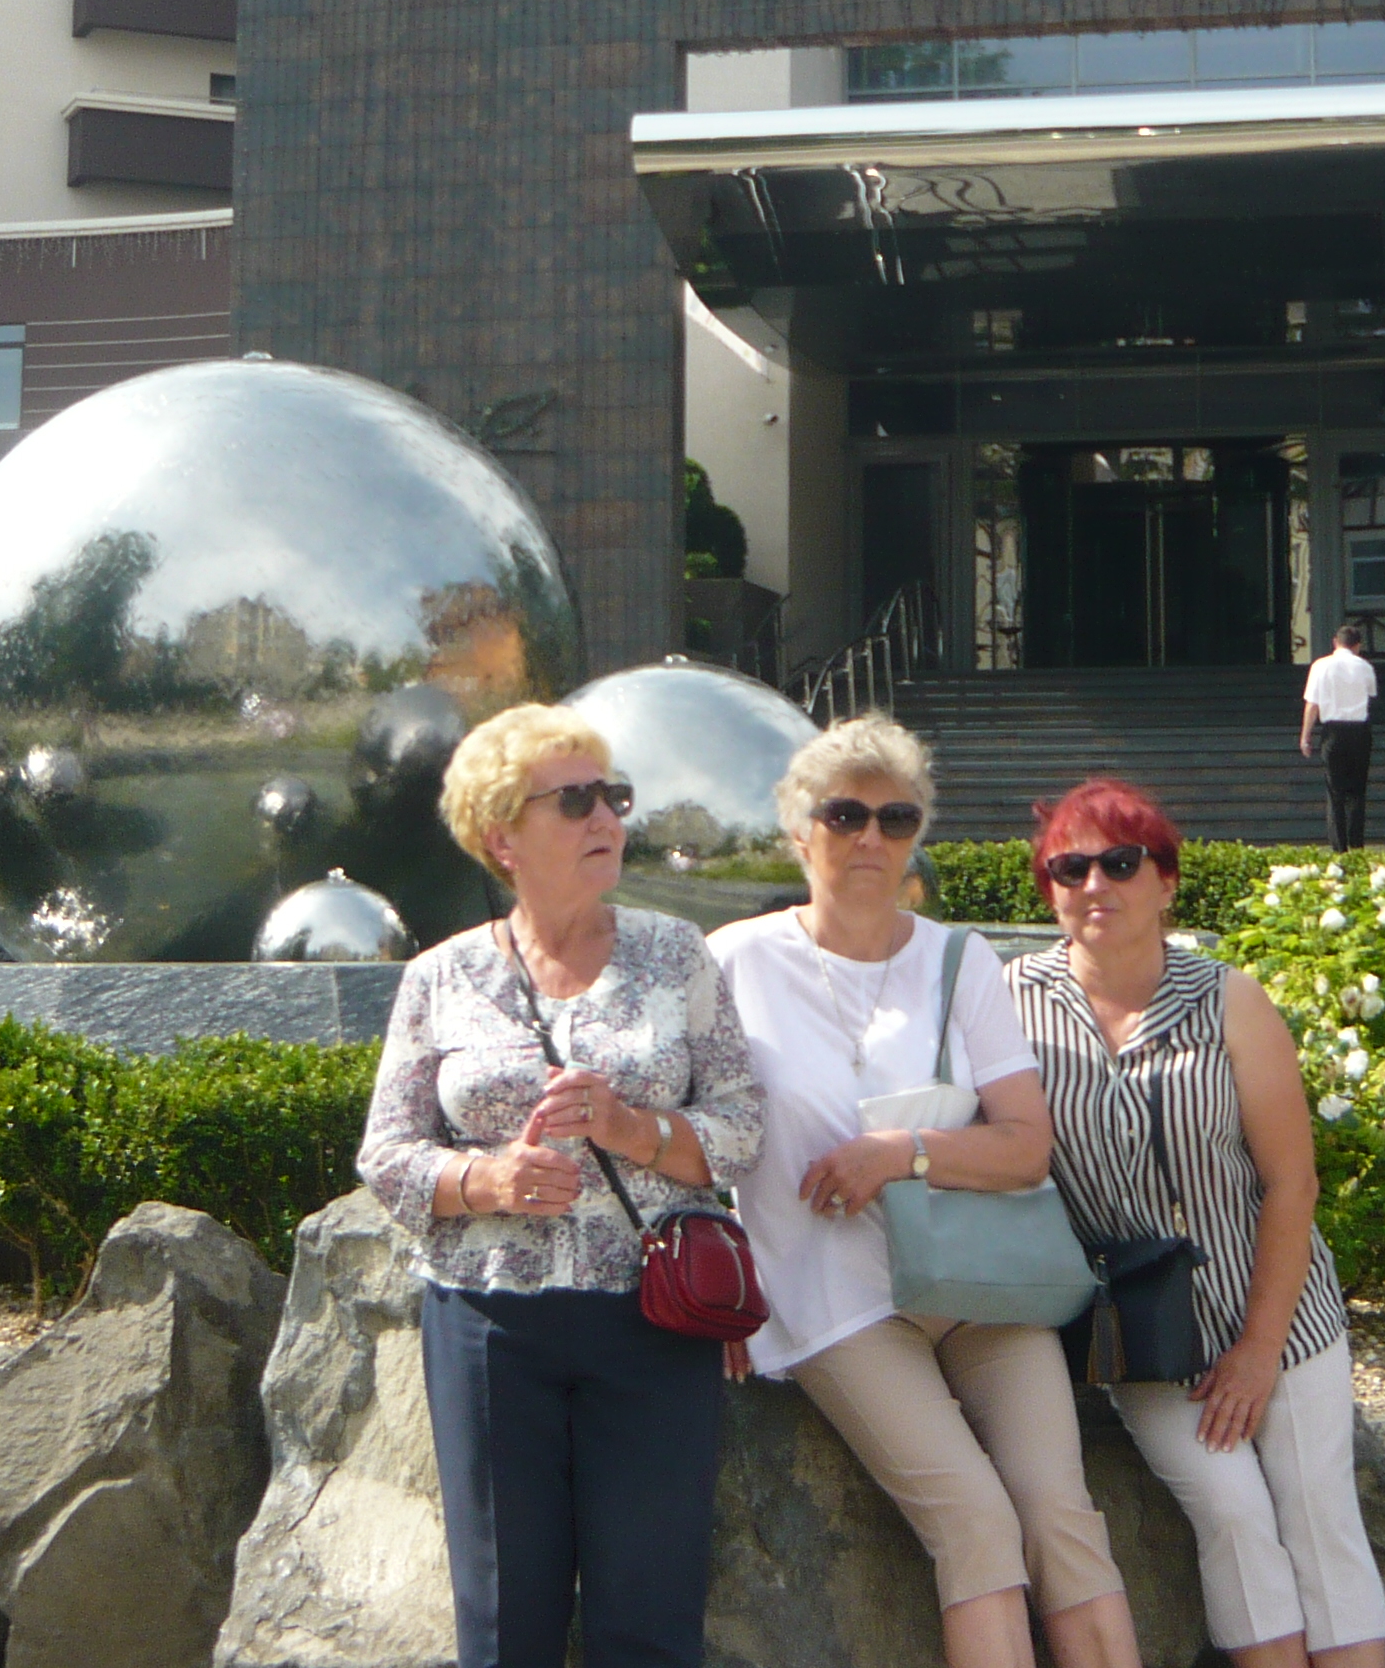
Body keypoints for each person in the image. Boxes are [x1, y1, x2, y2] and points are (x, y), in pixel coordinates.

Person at [709, 715, 1141, 1668]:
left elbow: (1026, 1147)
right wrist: (718, 1285)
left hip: (978, 1282)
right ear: (798, 830)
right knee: (975, 1522)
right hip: (834, 1294)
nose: (871, 838)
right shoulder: (735, 961)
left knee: (1061, 1515)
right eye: (846, 815)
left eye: (896, 818)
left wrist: (899, 1152)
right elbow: (694, 1132)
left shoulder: (958, 958)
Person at [355, 704, 765, 1668]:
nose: (606, 819)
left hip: (652, 1319)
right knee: (504, 1626)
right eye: (574, 801)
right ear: (502, 836)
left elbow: (744, 1129)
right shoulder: (440, 976)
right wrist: (485, 1178)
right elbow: (387, 1153)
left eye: (612, 797)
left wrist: (633, 1130)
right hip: (490, 1323)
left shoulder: (678, 953)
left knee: (651, 1624)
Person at [1010, 780, 1385, 1668]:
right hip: (1148, 1330)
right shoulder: (1010, 1001)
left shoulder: (1228, 1000)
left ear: (1166, 881)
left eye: (1121, 863)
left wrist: (1258, 1349)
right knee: (1232, 1512)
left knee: (1319, 1518)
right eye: (1070, 867)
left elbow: (1291, 1183)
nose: (1095, 883)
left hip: (1282, 1312)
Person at [1298, 623, 1379, 854]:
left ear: (1335, 642)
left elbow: (1312, 704)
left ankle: (1339, 848)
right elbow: (1371, 694)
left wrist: (1305, 736)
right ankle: (1357, 845)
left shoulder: (1320, 666)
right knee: (1357, 791)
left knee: (1335, 792)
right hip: (1359, 731)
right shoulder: (1365, 667)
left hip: (1333, 731)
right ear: (1358, 646)